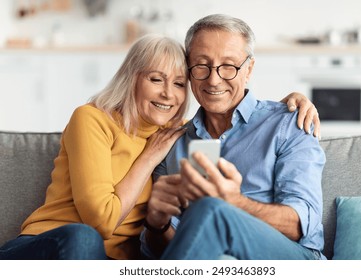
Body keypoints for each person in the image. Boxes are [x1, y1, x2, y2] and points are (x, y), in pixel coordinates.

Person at [0, 34, 317, 260]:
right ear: (131, 79)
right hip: (51, 246)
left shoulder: (177, 136)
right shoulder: (97, 120)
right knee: (84, 237)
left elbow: (237, 108)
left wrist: (287, 106)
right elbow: (101, 223)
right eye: (156, 79)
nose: (168, 94)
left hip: (111, 263)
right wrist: (149, 157)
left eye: (178, 84)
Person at [141, 14, 326, 260]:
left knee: (210, 208)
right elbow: (176, 249)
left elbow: (301, 224)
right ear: (188, 70)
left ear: (248, 69)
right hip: (213, 264)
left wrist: (236, 203)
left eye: (229, 66)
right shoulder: (173, 144)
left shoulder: (288, 123)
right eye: (201, 65)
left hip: (292, 259)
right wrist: (157, 224)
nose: (214, 79)